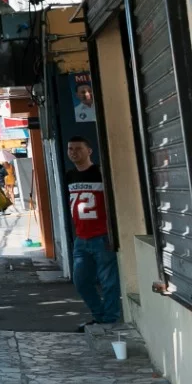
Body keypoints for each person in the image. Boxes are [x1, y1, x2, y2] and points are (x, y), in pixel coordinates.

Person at [64, 136, 122, 328]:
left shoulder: (100, 173)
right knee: (81, 281)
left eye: (78, 148)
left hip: (102, 236)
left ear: (89, 151)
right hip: (81, 237)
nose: (73, 152)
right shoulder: (69, 176)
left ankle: (110, 319)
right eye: (70, 149)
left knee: (109, 282)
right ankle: (100, 316)